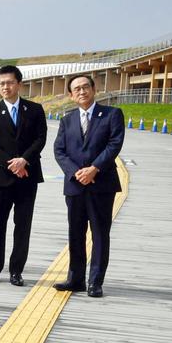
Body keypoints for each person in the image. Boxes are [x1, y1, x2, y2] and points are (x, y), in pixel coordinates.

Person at [53, 74, 125, 298]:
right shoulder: (67, 120)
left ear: (94, 89)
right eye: (77, 89)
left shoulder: (112, 114)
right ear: (71, 95)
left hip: (101, 184)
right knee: (75, 233)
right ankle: (75, 279)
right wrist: (76, 172)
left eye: (86, 87)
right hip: (75, 186)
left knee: (100, 233)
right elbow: (59, 151)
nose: (82, 91)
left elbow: (114, 144)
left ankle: (95, 281)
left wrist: (94, 168)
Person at [0, 65, 47, 287]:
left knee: (23, 225)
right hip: (1, 178)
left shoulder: (35, 110)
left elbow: (40, 139)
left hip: (27, 177)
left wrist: (24, 160)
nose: (5, 87)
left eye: (9, 82)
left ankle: (16, 270)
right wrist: (12, 164)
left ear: (19, 84)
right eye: (1, 83)